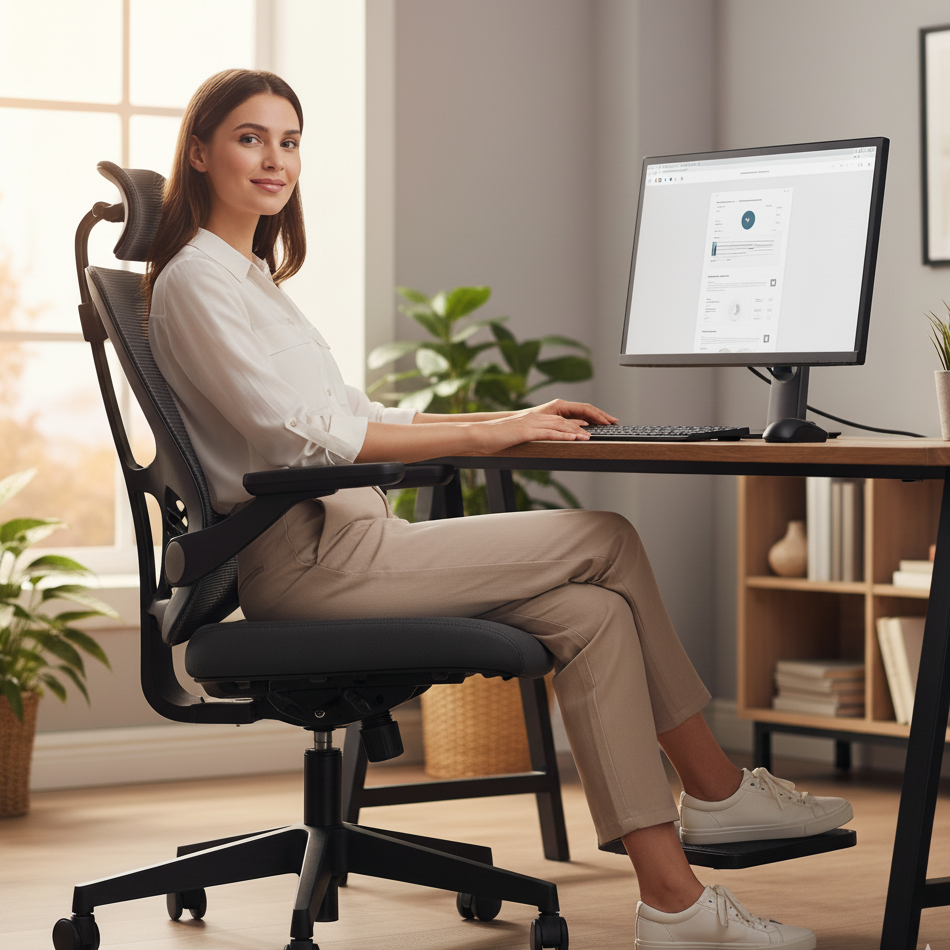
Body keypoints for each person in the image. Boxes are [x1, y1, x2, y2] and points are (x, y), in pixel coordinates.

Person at [146, 68, 851, 950]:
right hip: (309, 560)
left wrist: (510, 421)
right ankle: (715, 790)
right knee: (607, 537)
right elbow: (300, 434)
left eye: (289, 141)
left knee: (591, 614)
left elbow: (356, 412)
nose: (275, 160)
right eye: (250, 138)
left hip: (357, 541)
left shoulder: (251, 280)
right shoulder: (194, 282)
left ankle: (674, 906)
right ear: (200, 152)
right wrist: (489, 435)